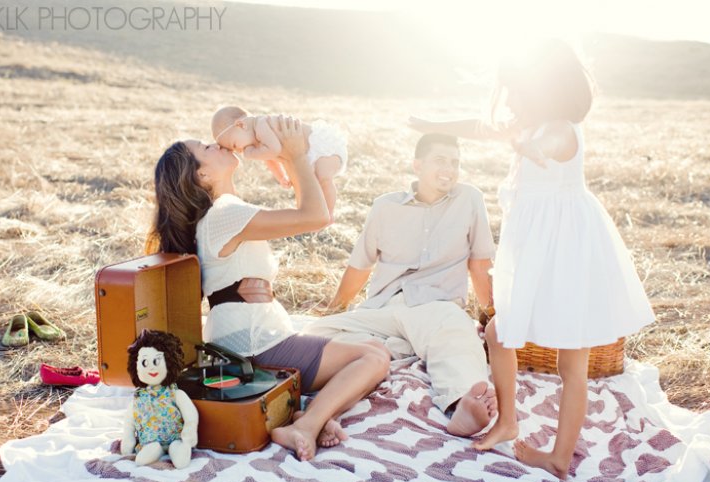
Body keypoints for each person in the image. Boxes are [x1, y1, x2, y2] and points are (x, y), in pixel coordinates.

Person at [410, 39, 655, 479]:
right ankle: (507, 421)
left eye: (518, 89)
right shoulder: (530, 124)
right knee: (499, 333)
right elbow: (482, 127)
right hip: (537, 248)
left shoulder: (560, 129)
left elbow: (553, 143)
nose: (512, 99)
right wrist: (430, 123)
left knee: (570, 362)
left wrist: (532, 148)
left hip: (568, 254)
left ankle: (559, 458)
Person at [146, 116, 389, 461]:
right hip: (255, 345)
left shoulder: (223, 214)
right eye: (205, 147)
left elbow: (321, 212)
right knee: (374, 358)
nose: (216, 143)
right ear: (202, 176)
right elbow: (315, 218)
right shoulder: (223, 214)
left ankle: (317, 416)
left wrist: (294, 159)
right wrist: (294, 155)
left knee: (372, 347)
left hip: (249, 340)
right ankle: (306, 425)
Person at [303, 133, 498, 438]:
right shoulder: (385, 206)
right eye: (440, 160)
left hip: (436, 307)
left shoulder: (469, 199)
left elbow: (480, 263)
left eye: (455, 162)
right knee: (316, 334)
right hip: (383, 308)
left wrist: (490, 313)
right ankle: (399, 351)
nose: (449, 168)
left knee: (458, 334)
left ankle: (462, 401)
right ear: (417, 165)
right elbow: (360, 265)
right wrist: (335, 309)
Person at [211, 106, 346, 222]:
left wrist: (251, 153)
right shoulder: (258, 141)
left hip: (324, 146)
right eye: (235, 150)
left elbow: (274, 150)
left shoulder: (261, 125)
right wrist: (281, 177)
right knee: (314, 181)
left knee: (323, 177)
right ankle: (320, 213)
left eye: (235, 145)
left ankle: (329, 214)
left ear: (241, 125)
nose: (240, 151)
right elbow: (270, 159)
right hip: (310, 153)